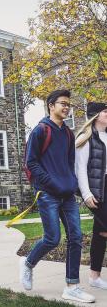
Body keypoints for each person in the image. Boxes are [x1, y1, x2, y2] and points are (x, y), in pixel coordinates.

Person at [20, 89, 95, 303]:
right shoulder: (41, 131)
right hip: (48, 194)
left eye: (68, 104)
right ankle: (28, 264)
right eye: (62, 103)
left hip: (68, 195)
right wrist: (52, 183)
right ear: (51, 106)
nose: (66, 107)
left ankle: (72, 285)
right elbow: (31, 163)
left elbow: (70, 163)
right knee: (52, 238)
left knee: (76, 237)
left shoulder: (69, 134)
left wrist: (72, 184)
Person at [75, 101, 107, 290]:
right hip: (97, 190)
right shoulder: (86, 138)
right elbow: (80, 170)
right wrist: (86, 195)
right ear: (96, 116)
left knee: (102, 231)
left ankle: (94, 277)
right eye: (105, 111)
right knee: (103, 229)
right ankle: (94, 276)